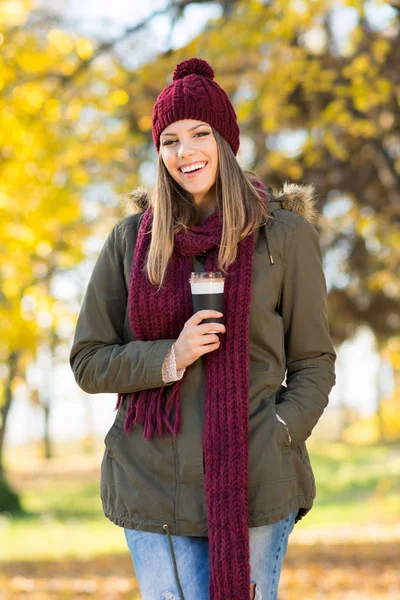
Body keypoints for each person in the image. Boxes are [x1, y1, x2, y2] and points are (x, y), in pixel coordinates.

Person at [70, 57, 336, 600]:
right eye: (169, 140)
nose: (184, 151)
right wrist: (172, 355)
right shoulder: (130, 241)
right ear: (158, 152)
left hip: (255, 479)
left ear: (226, 139)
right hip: (153, 483)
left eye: (199, 133)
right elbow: (89, 359)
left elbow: (313, 360)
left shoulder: (282, 238)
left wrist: (280, 434)